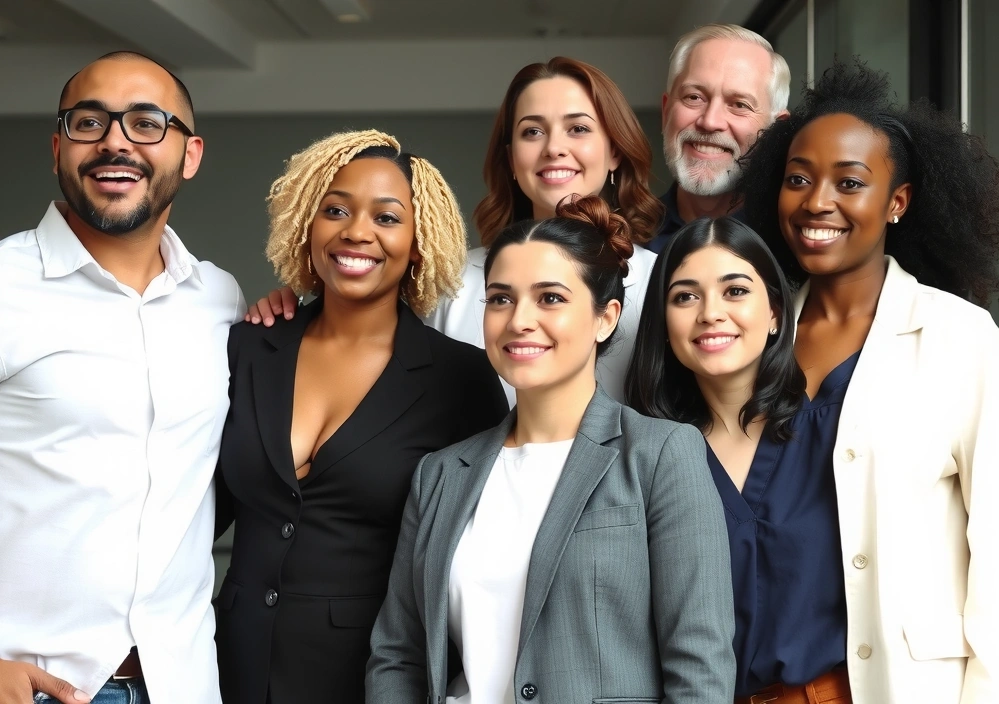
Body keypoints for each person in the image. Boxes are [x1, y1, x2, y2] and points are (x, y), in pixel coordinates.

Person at [365, 196, 736, 704]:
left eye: (550, 298)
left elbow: (700, 666)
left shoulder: (660, 455)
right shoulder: (441, 474)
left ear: (606, 318)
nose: (519, 320)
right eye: (500, 298)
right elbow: (398, 654)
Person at [733, 61, 999, 702]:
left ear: (898, 201)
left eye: (850, 182)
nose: (817, 202)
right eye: (799, 179)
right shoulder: (751, 334)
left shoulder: (958, 339)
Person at [213, 130, 508, 704]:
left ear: (419, 241)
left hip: (372, 677)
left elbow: (478, 556)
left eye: (387, 217)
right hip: (228, 667)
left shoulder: (461, 379)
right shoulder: (249, 349)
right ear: (307, 223)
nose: (357, 231)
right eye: (337, 210)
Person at [0, 52, 245, 704]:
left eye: (145, 123)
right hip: (36, 689)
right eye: (90, 122)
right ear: (58, 148)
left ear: (189, 155)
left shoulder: (220, 300)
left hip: (184, 683)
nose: (115, 141)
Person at [246, 57, 665, 405]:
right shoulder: (456, 282)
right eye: (532, 131)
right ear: (511, 160)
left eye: (578, 128)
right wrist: (293, 313)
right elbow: (362, 337)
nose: (553, 147)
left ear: (614, 151)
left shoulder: (659, 283)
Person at [628, 218, 860, 702]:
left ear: (775, 312)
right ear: (662, 321)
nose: (711, 313)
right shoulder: (643, 459)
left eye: (735, 291)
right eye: (685, 296)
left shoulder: (842, 434)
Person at [648, 23, 791, 252]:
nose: (710, 121)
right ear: (666, 113)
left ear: (776, 131)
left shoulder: (794, 247)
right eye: (694, 97)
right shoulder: (622, 242)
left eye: (739, 105)